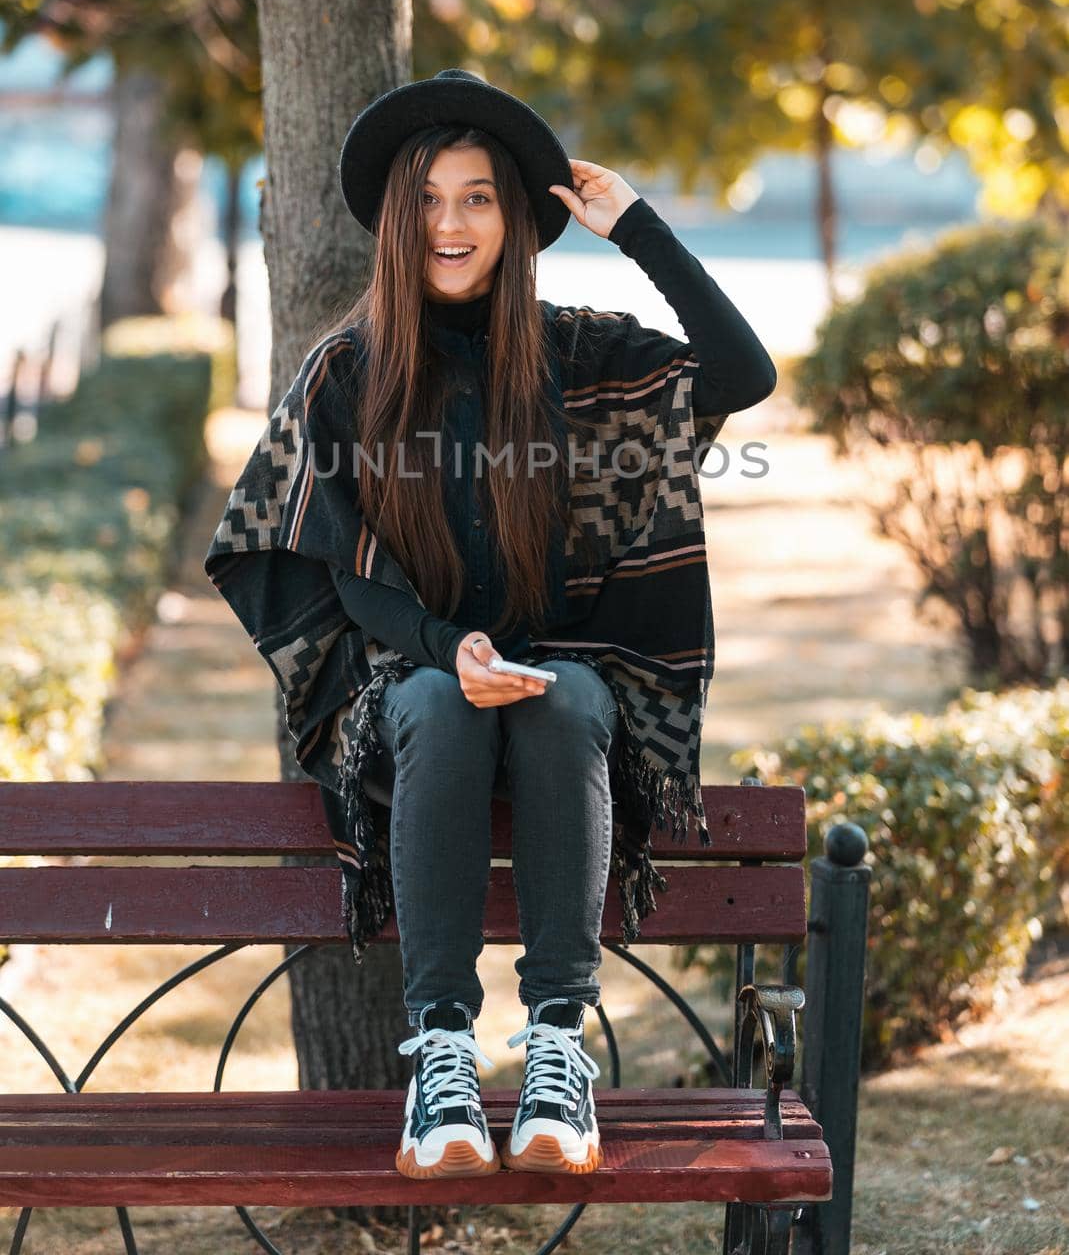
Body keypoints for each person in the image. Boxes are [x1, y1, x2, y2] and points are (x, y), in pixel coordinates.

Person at [204, 68, 778, 1183]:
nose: (451, 223)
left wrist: (638, 229)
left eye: (476, 198)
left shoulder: (583, 355)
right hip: (411, 699)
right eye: (427, 200)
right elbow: (328, 555)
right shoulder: (351, 369)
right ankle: (445, 1056)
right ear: (394, 222)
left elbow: (742, 373)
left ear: (515, 220)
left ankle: (560, 1048)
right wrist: (440, 645)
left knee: (564, 696)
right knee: (434, 702)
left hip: (572, 688)